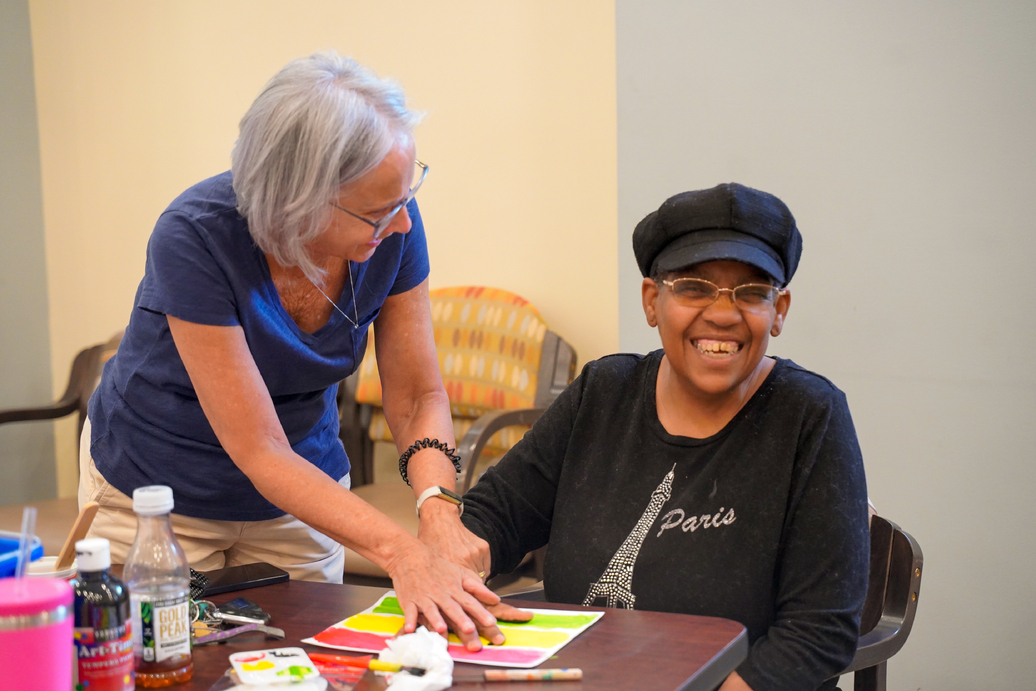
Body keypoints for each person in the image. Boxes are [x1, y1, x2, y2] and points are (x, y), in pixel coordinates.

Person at [78, 51, 514, 648]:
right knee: (165, 663)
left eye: (406, 196)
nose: (403, 223)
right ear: (299, 199)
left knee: (307, 662)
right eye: (379, 210)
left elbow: (416, 396)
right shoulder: (194, 236)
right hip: (158, 495)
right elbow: (258, 447)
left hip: (305, 490)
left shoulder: (391, 226)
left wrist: (438, 509)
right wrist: (400, 552)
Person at [458, 183, 870, 689]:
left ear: (778, 310)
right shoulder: (603, 391)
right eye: (694, 287)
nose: (722, 313)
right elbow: (492, 518)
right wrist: (449, 575)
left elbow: (817, 633)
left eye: (751, 292)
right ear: (653, 301)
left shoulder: (810, 415)